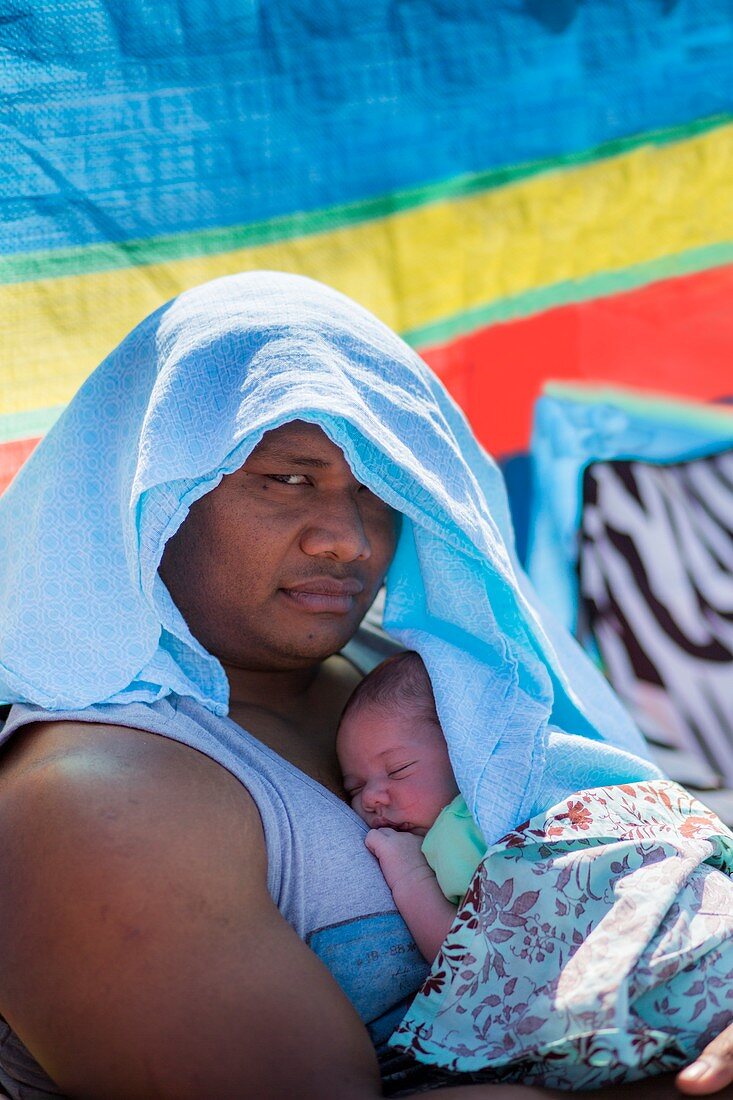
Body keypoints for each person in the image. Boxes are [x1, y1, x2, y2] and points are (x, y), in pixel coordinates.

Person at [0, 271, 731, 1100]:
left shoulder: (418, 669)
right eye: (288, 479)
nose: (347, 541)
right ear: (155, 493)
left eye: (379, 490)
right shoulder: (96, 801)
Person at [337, 650, 733, 1089]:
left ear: (467, 746)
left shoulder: (455, 833)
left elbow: (465, 960)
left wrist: (407, 872)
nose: (373, 797)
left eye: (397, 769)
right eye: (354, 788)